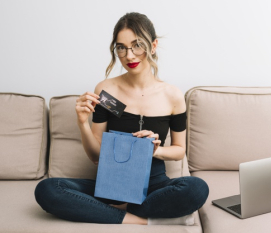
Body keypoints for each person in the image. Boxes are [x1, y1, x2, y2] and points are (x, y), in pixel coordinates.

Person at [34, 12, 209, 225]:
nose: (129, 56)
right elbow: (96, 156)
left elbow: (179, 150)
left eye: (137, 45)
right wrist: (82, 123)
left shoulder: (172, 96)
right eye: (121, 47)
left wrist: (157, 149)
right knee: (48, 189)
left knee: (197, 188)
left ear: (153, 46)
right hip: (109, 186)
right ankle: (139, 219)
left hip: (154, 187)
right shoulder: (107, 91)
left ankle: (115, 211)